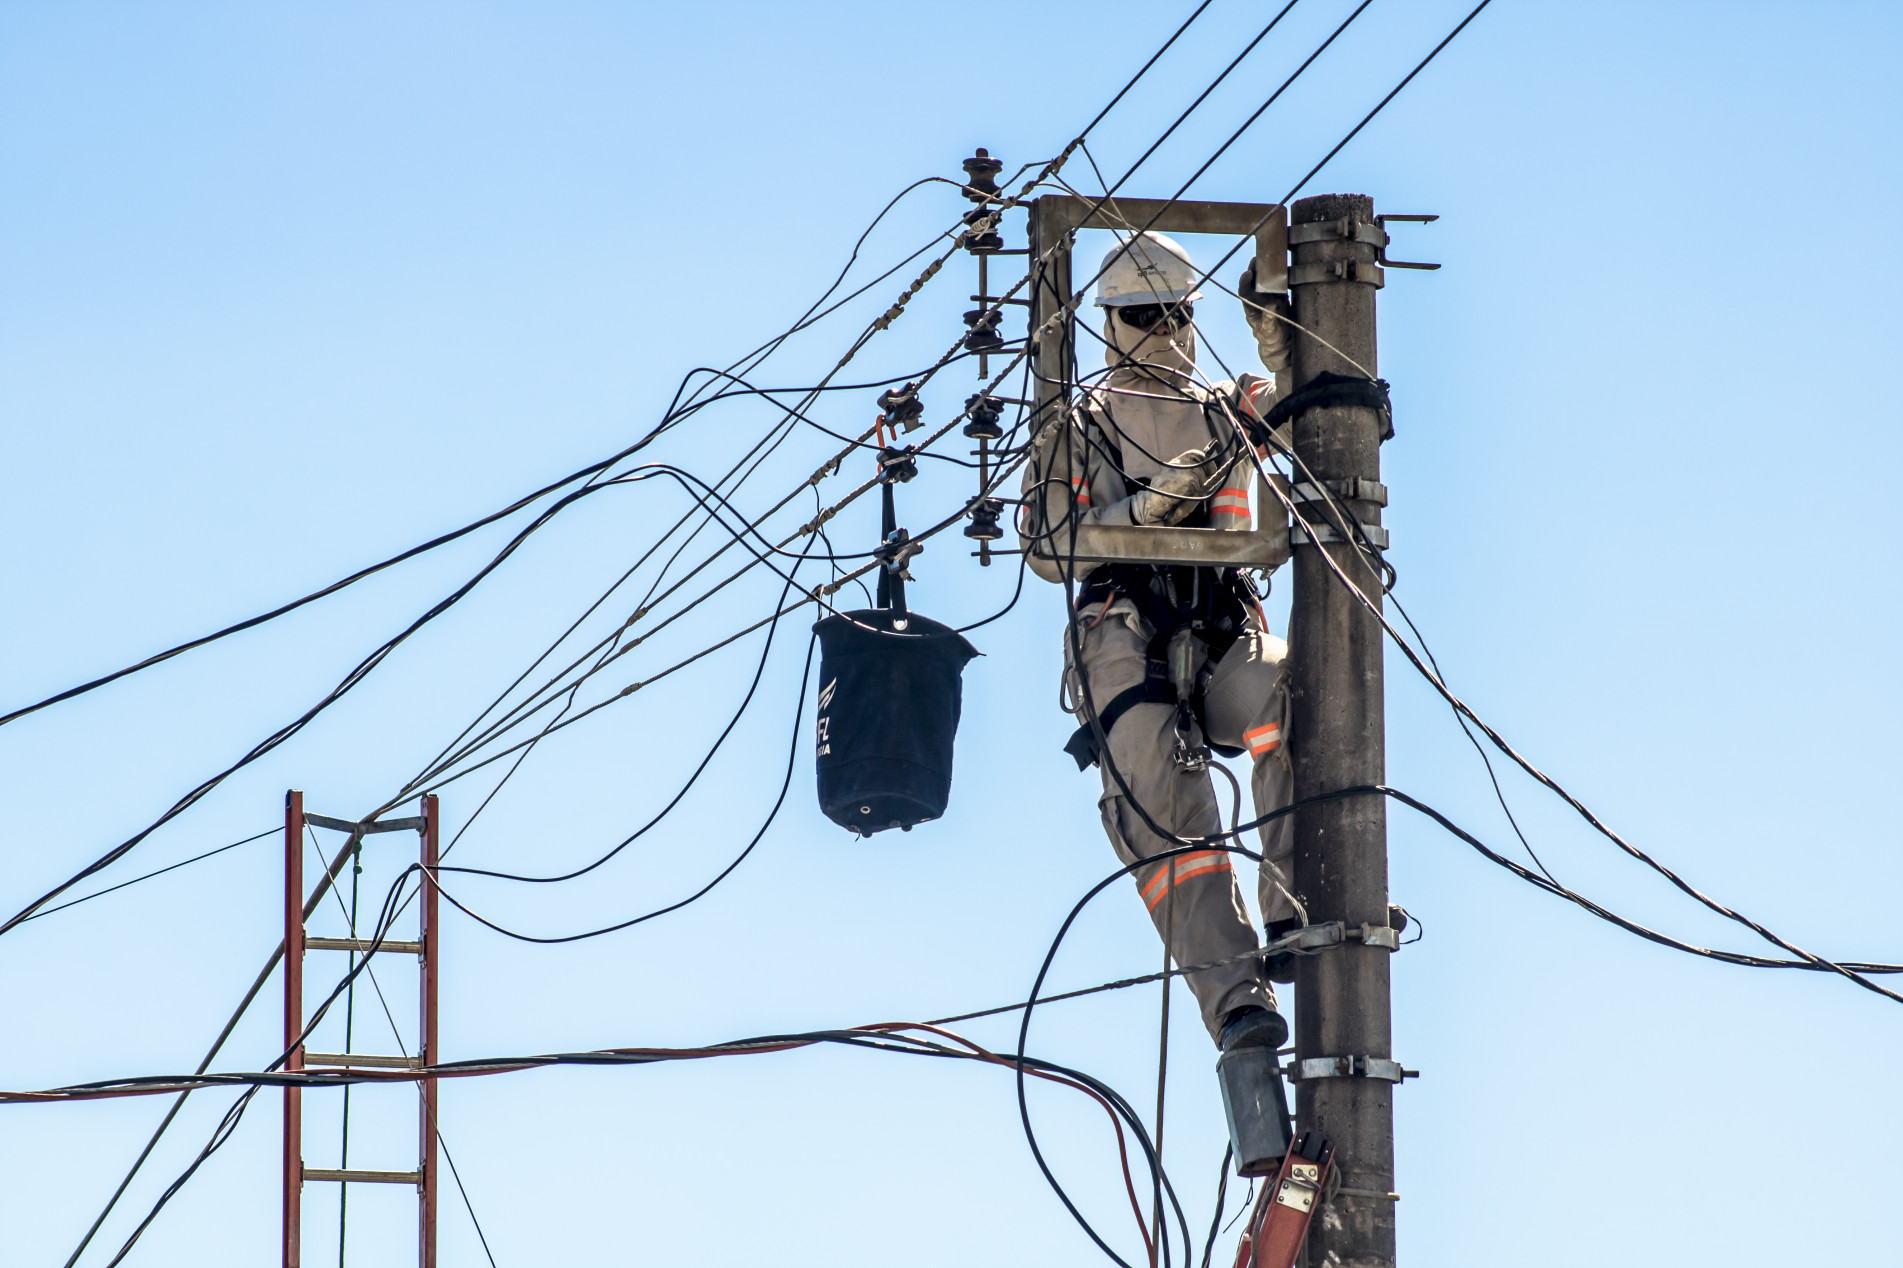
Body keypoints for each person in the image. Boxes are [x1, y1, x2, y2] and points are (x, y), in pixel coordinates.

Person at [1020, 231, 1301, 1097]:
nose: (1163, 329)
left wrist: (1282, 347)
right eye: (1144, 315)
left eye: (1175, 312)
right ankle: (1237, 1001)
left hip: (1217, 622)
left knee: (1289, 696)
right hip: (1122, 630)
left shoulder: (1226, 409)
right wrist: (1143, 511)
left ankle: (1294, 912)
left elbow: (1318, 414)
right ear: (1110, 324)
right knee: (1165, 812)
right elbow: (1045, 547)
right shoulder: (1079, 425)